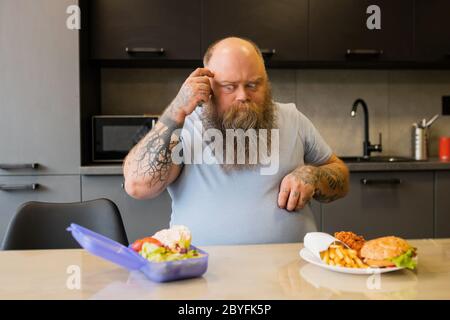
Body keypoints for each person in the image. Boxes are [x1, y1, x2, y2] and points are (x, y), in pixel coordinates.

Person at [123, 37, 349, 245]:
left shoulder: (293, 119)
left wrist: (314, 175)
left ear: (266, 83)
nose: (243, 95)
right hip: (201, 275)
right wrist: (176, 110)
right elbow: (137, 186)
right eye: (229, 86)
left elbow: (340, 177)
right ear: (208, 86)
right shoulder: (184, 126)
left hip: (289, 275)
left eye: (253, 84)